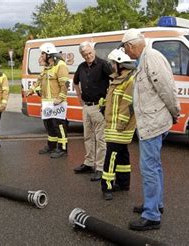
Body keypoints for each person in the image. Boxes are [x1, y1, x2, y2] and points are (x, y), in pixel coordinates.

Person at [121, 29, 180, 231]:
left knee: (149, 169)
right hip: (150, 121)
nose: (125, 53)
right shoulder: (144, 59)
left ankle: (152, 216)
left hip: (153, 123)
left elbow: (167, 88)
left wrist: (175, 112)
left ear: (131, 45)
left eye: (125, 48)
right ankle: (155, 204)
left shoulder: (151, 58)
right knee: (154, 167)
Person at [72, 41, 114, 181]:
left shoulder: (103, 65)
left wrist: (109, 99)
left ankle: (100, 167)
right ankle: (89, 163)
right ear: (82, 55)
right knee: (87, 137)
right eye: (85, 54)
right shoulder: (81, 67)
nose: (88, 56)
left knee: (100, 138)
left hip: (99, 107)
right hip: (87, 107)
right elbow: (75, 82)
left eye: (90, 53)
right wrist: (79, 97)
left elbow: (114, 80)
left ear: (94, 51)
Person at [100, 49, 137, 200]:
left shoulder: (129, 81)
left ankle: (107, 186)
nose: (111, 65)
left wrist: (121, 123)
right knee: (122, 155)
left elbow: (128, 104)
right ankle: (123, 183)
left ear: (120, 64)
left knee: (111, 156)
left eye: (113, 63)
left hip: (119, 127)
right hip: (114, 125)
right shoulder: (117, 79)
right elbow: (114, 101)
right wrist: (103, 104)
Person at [27, 42, 69, 158]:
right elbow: (39, 80)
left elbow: (64, 84)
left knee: (59, 125)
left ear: (49, 54)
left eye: (43, 54)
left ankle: (62, 149)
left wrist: (60, 98)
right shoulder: (46, 67)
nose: (41, 56)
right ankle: (52, 146)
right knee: (49, 125)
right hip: (47, 103)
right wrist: (32, 89)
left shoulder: (60, 65)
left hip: (57, 103)